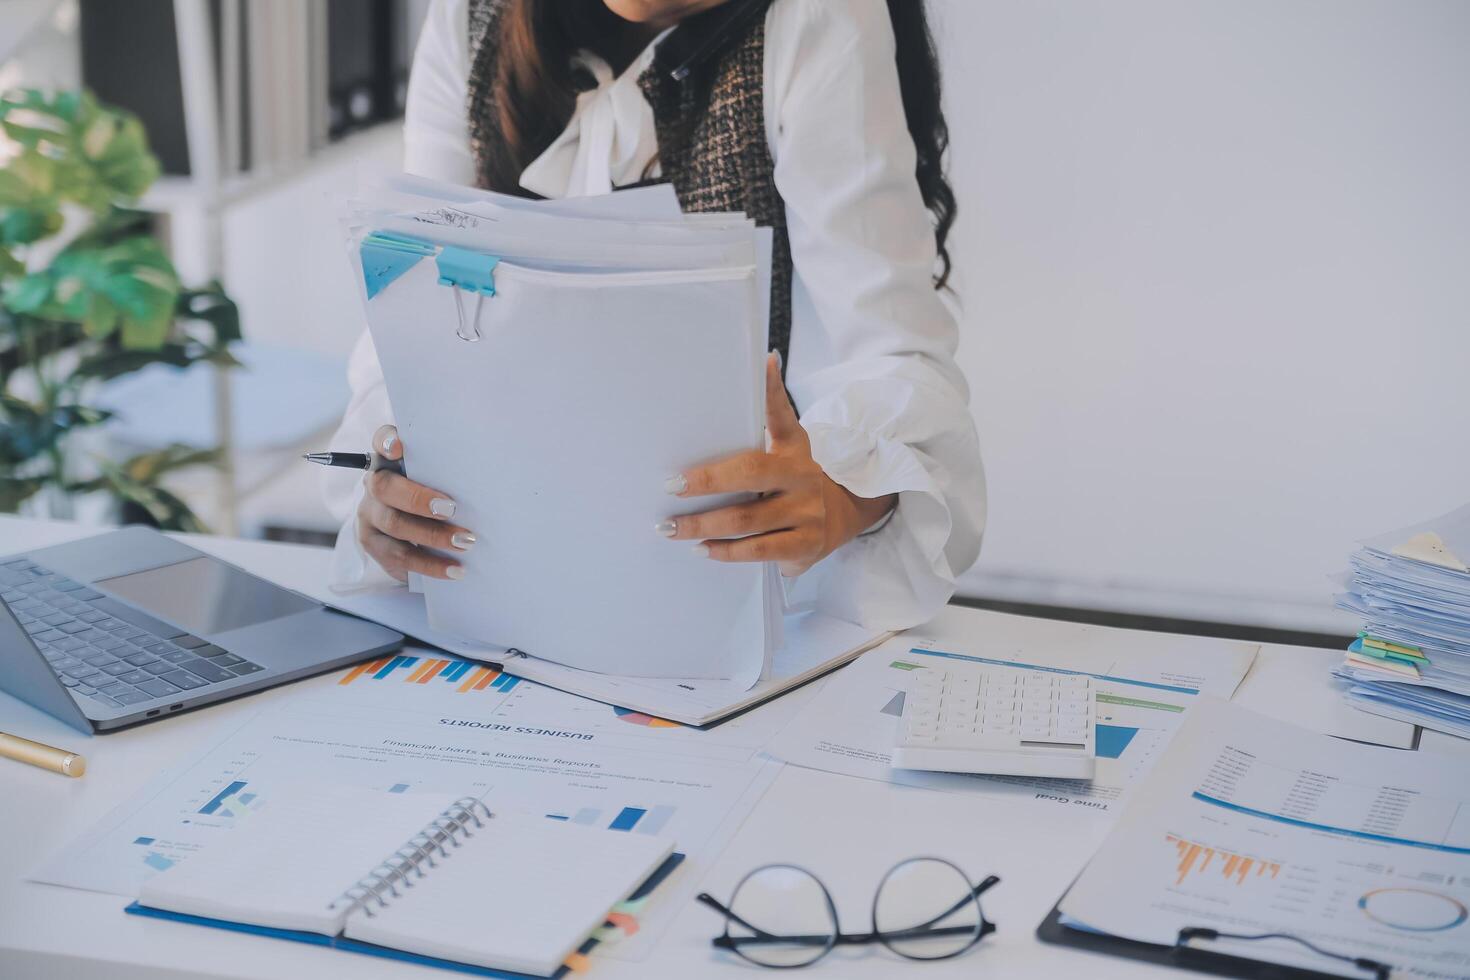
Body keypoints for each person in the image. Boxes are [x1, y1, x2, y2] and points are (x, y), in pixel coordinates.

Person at [322, 0, 986, 631]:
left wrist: (844, 499)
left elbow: (894, 358)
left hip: (732, 594)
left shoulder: (815, 20)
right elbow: (412, 326)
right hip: (504, 589)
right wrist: (385, 498)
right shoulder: (471, 20)